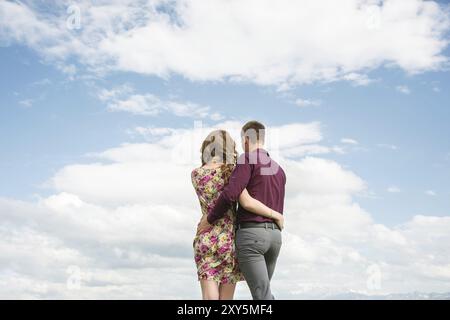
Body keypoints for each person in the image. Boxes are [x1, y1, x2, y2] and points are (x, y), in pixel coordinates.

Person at [197, 121, 286, 300]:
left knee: (262, 296)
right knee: (263, 293)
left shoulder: (246, 159)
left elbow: (235, 196)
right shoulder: (279, 170)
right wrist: (276, 215)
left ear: (246, 139)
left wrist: (211, 218)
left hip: (252, 235)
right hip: (275, 238)